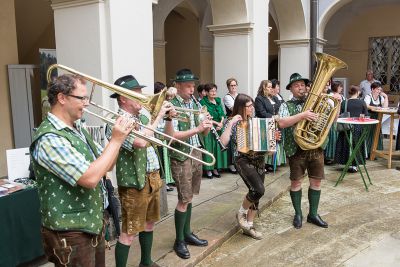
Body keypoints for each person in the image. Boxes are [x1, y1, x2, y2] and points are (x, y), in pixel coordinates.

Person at [30, 74, 133, 267]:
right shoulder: (49, 138)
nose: (87, 104)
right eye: (82, 98)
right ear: (62, 98)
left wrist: (121, 139)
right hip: (70, 231)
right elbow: (90, 178)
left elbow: (106, 166)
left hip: (91, 223)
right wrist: (117, 139)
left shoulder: (78, 128)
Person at [107, 75, 173, 267]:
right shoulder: (116, 120)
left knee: (150, 223)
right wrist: (158, 116)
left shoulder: (142, 116)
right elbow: (140, 142)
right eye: (136, 93)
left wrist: (167, 116)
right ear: (123, 98)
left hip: (152, 177)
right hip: (134, 182)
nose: (142, 96)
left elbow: (165, 135)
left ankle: (146, 262)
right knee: (129, 232)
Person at [278, 73, 339, 229]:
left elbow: (331, 120)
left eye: (303, 85)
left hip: (315, 148)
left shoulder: (316, 103)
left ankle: (313, 214)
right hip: (296, 149)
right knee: (296, 182)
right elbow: (283, 123)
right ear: (290, 88)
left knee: (316, 181)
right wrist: (303, 115)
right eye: (296, 85)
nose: (301, 87)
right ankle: (298, 214)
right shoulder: (286, 105)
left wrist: (336, 105)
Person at [164, 68, 213, 259]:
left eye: (193, 86)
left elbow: (204, 133)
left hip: (196, 152)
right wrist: (198, 128)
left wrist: (206, 126)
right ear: (177, 86)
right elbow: (172, 136)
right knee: (183, 199)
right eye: (187, 86)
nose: (192, 90)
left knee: (190, 197)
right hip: (181, 155)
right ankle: (179, 240)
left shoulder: (195, 104)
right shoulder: (172, 106)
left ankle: (187, 232)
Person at [220, 93, 279, 239]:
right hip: (243, 160)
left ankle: (249, 226)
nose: (252, 108)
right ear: (240, 107)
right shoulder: (233, 122)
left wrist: (273, 139)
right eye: (249, 106)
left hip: (259, 159)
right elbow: (223, 142)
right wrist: (231, 122)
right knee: (259, 189)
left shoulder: (256, 122)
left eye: (252, 105)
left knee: (256, 194)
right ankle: (241, 212)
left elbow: (267, 147)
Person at [335, 85, 368, 173]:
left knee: (346, 144)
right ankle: (354, 165)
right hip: (358, 127)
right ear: (358, 92)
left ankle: (346, 163)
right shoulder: (362, 103)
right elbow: (366, 115)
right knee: (356, 145)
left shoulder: (344, 102)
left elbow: (340, 113)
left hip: (346, 126)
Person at [200, 83, 227, 178]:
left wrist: (221, 123)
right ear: (206, 92)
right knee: (210, 148)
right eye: (211, 91)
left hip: (219, 127)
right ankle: (209, 169)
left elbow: (223, 114)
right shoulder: (203, 102)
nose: (213, 92)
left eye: (215, 91)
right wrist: (216, 124)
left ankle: (216, 168)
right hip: (210, 127)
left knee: (217, 149)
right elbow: (205, 116)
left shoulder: (218, 101)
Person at [254, 80, 281, 171]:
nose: (271, 89)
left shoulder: (274, 98)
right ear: (264, 88)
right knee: (264, 144)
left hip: (275, 123)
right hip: (264, 124)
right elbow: (261, 112)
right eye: (269, 87)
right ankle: (262, 164)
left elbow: (279, 108)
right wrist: (273, 116)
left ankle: (270, 163)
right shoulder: (259, 98)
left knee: (272, 143)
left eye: (271, 87)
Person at [153, 81, 174, 192]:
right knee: (161, 161)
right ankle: (162, 183)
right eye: (162, 92)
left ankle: (166, 182)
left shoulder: (165, 104)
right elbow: (158, 124)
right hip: (158, 136)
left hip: (164, 136)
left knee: (165, 161)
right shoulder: (155, 106)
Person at [364, 82, 388, 158]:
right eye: (377, 89)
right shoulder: (368, 96)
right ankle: (367, 153)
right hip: (369, 118)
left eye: (380, 90)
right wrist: (375, 108)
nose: (379, 91)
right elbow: (366, 106)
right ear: (372, 89)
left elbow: (385, 107)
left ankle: (376, 153)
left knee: (376, 134)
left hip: (377, 118)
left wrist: (386, 96)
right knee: (368, 134)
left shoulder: (381, 98)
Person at [324, 81, 343, 165]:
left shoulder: (336, 96)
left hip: (333, 120)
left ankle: (332, 156)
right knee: (330, 139)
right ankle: (328, 157)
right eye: (340, 87)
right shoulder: (330, 96)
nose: (341, 88)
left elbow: (337, 112)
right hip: (329, 120)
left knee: (333, 138)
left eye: (328, 85)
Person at [223, 77, 239, 174]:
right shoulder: (227, 97)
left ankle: (238, 162)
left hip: (239, 121)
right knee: (231, 143)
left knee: (238, 142)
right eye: (231, 85)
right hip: (231, 121)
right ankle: (231, 164)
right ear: (228, 87)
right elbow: (234, 108)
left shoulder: (238, 95)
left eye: (234, 85)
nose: (233, 87)